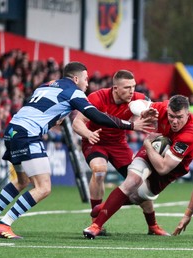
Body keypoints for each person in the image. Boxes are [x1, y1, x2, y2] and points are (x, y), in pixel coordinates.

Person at [0, 61, 156, 239]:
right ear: (76, 78)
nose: (87, 83)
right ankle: (4, 224)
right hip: (27, 135)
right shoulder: (74, 92)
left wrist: (57, 117)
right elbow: (97, 117)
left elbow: (39, 107)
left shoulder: (46, 86)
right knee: (43, 187)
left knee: (22, 181)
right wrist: (131, 125)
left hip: (12, 130)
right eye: (85, 79)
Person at [82, 94, 193, 239]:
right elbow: (135, 104)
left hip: (168, 169)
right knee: (132, 181)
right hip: (152, 149)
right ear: (167, 109)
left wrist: (147, 145)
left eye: (179, 117)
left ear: (188, 114)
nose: (174, 121)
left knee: (138, 197)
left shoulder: (189, 135)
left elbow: (163, 168)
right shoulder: (162, 108)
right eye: (171, 116)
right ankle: (96, 226)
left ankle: (103, 207)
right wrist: (142, 112)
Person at [72, 69, 169, 236]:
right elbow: (77, 122)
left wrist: (152, 115)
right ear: (115, 88)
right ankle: (96, 222)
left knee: (139, 182)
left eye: (133, 87)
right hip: (96, 141)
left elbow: (157, 113)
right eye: (126, 88)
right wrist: (88, 134)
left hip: (119, 144)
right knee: (99, 170)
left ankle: (152, 226)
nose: (131, 91)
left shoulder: (138, 98)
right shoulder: (97, 98)